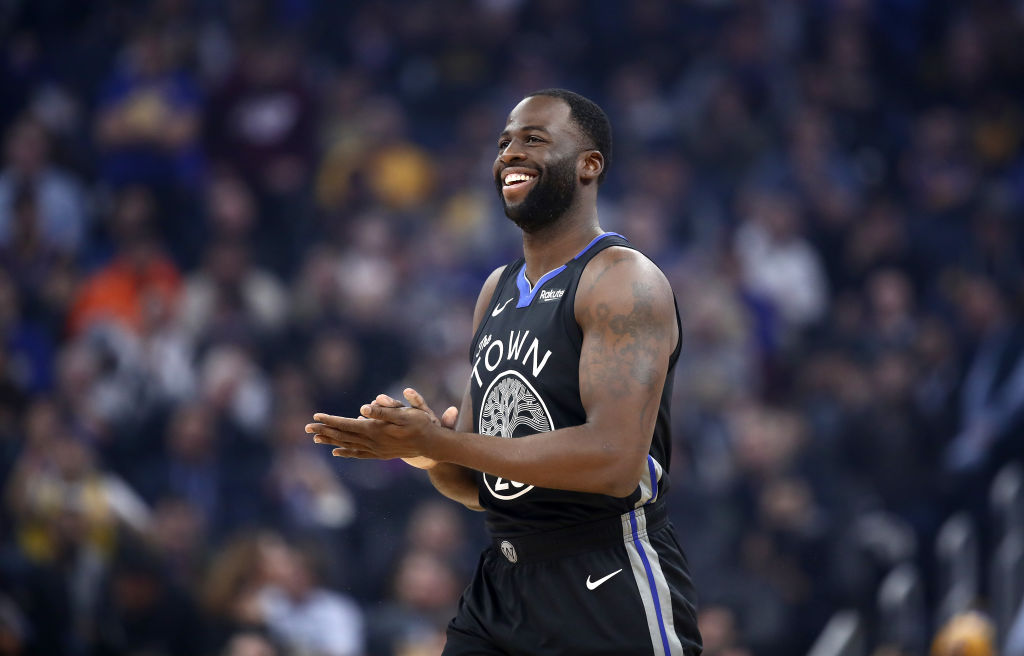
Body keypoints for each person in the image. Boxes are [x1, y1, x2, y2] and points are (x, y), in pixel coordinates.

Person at [308, 89, 702, 655]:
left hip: (605, 577)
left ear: (590, 165)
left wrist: (448, 443)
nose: (510, 153)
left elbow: (616, 462)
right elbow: (477, 485)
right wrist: (422, 449)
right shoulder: (496, 289)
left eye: (534, 140)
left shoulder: (621, 280)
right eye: (504, 143)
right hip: (504, 579)